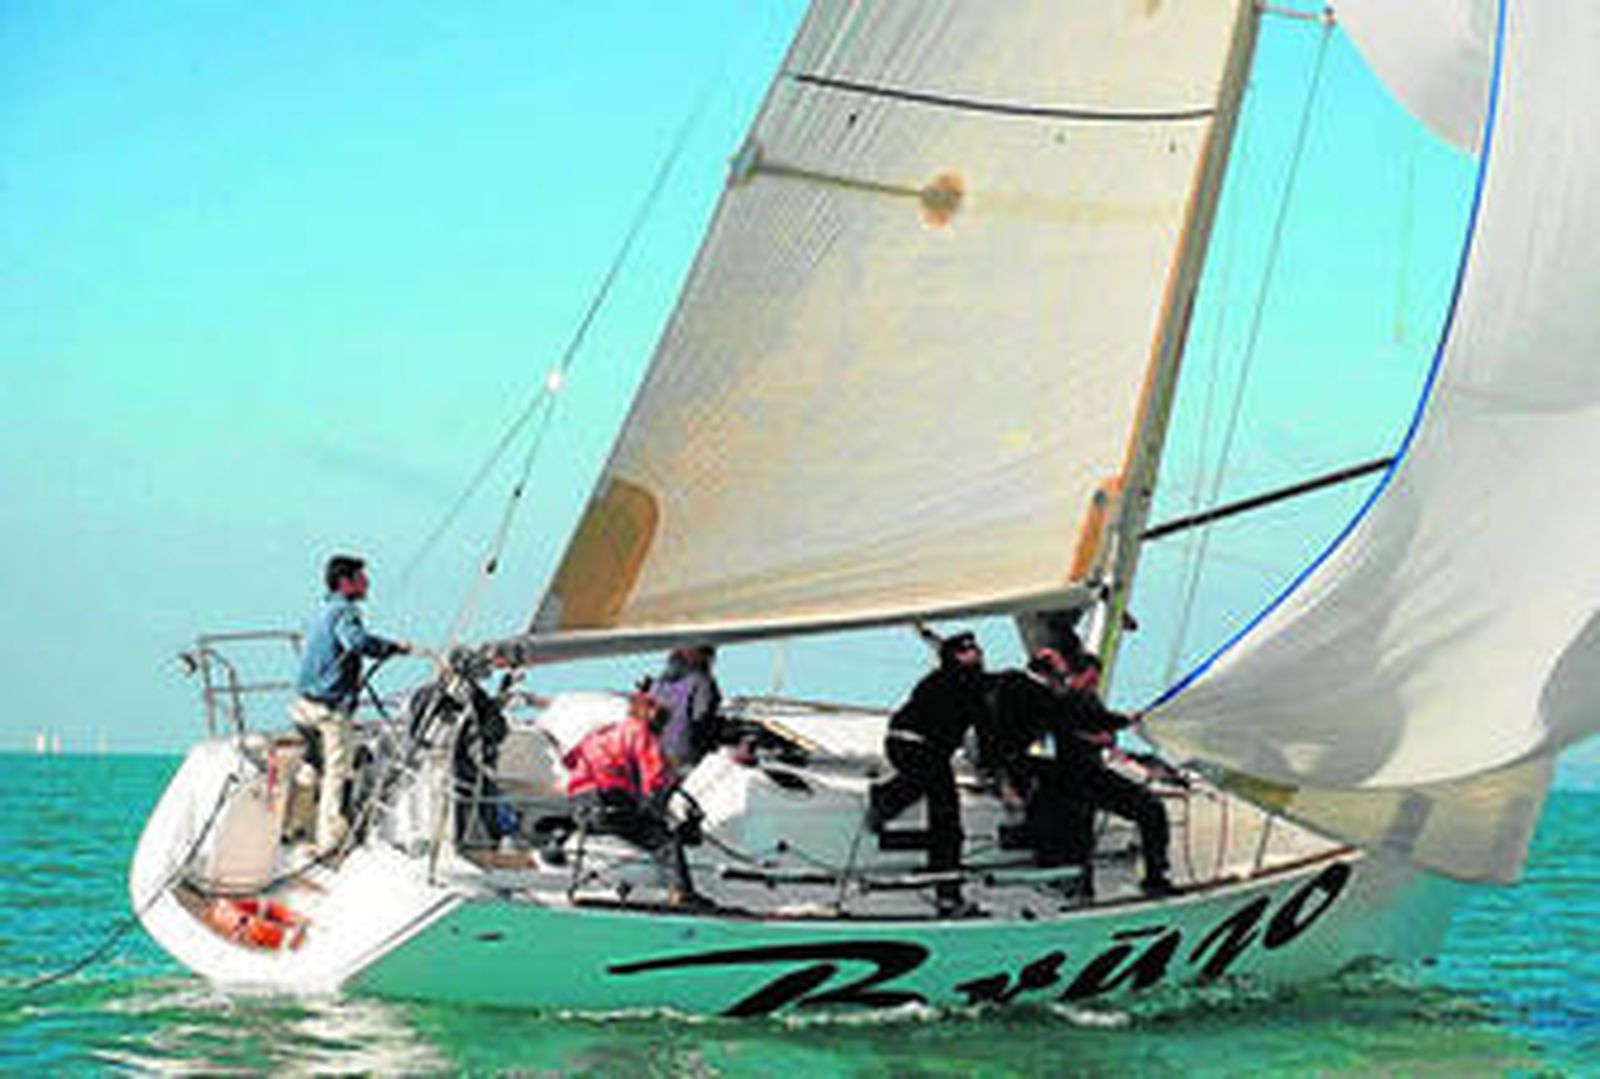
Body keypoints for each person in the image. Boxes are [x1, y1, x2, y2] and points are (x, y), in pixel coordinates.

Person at [998, 646, 1175, 900]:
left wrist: (1111, 736)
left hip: (1087, 774)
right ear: (1075, 675)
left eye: (1097, 680)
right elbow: (1074, 725)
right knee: (1081, 836)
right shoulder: (1055, 697)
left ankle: (1153, 876)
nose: (1094, 685)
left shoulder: (1084, 698)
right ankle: (1083, 892)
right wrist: (1117, 724)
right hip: (1073, 776)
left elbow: (1097, 726)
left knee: (1146, 811)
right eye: (1090, 679)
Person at [291, 554, 413, 855]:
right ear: (345, 583)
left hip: (303, 705)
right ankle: (329, 841)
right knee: (337, 772)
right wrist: (392, 648)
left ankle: (294, 827)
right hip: (329, 711)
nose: (367, 583)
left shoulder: (321, 611)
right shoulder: (346, 611)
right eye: (361, 578)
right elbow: (355, 642)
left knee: (310, 765)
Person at [867, 630, 995, 916]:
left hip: (906, 743)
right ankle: (947, 891)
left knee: (931, 788)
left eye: (976, 649)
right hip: (917, 745)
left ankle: (885, 798)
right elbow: (984, 725)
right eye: (968, 651)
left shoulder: (944, 678)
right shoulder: (968, 683)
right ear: (955, 656)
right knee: (946, 815)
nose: (976, 654)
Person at [563, 689, 703, 908]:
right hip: (610, 800)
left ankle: (556, 849)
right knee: (665, 839)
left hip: (579, 803)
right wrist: (659, 804)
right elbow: (655, 777)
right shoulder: (639, 731)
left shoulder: (601, 732)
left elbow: (570, 760)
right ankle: (682, 893)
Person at [654, 645, 723, 772]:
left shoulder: (658, 683)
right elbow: (702, 717)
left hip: (655, 755)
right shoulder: (701, 680)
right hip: (686, 755)